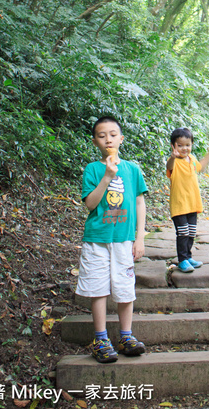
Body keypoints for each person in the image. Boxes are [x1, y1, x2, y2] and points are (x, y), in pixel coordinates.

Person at [75, 116, 147, 363]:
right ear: (95, 140)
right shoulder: (93, 170)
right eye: (102, 135)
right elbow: (90, 204)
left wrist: (140, 237)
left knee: (125, 288)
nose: (108, 139)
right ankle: (101, 339)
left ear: (121, 138)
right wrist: (106, 176)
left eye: (113, 134)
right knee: (98, 288)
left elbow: (139, 202)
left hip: (124, 239)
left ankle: (126, 337)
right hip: (97, 239)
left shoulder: (133, 170)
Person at [166, 128, 209, 273]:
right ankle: (182, 260)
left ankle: (188, 257)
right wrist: (172, 157)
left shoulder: (192, 159)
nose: (184, 148)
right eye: (180, 145)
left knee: (191, 232)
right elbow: (169, 167)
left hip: (193, 204)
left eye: (187, 145)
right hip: (179, 204)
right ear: (173, 146)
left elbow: (200, 167)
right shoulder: (174, 162)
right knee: (182, 233)